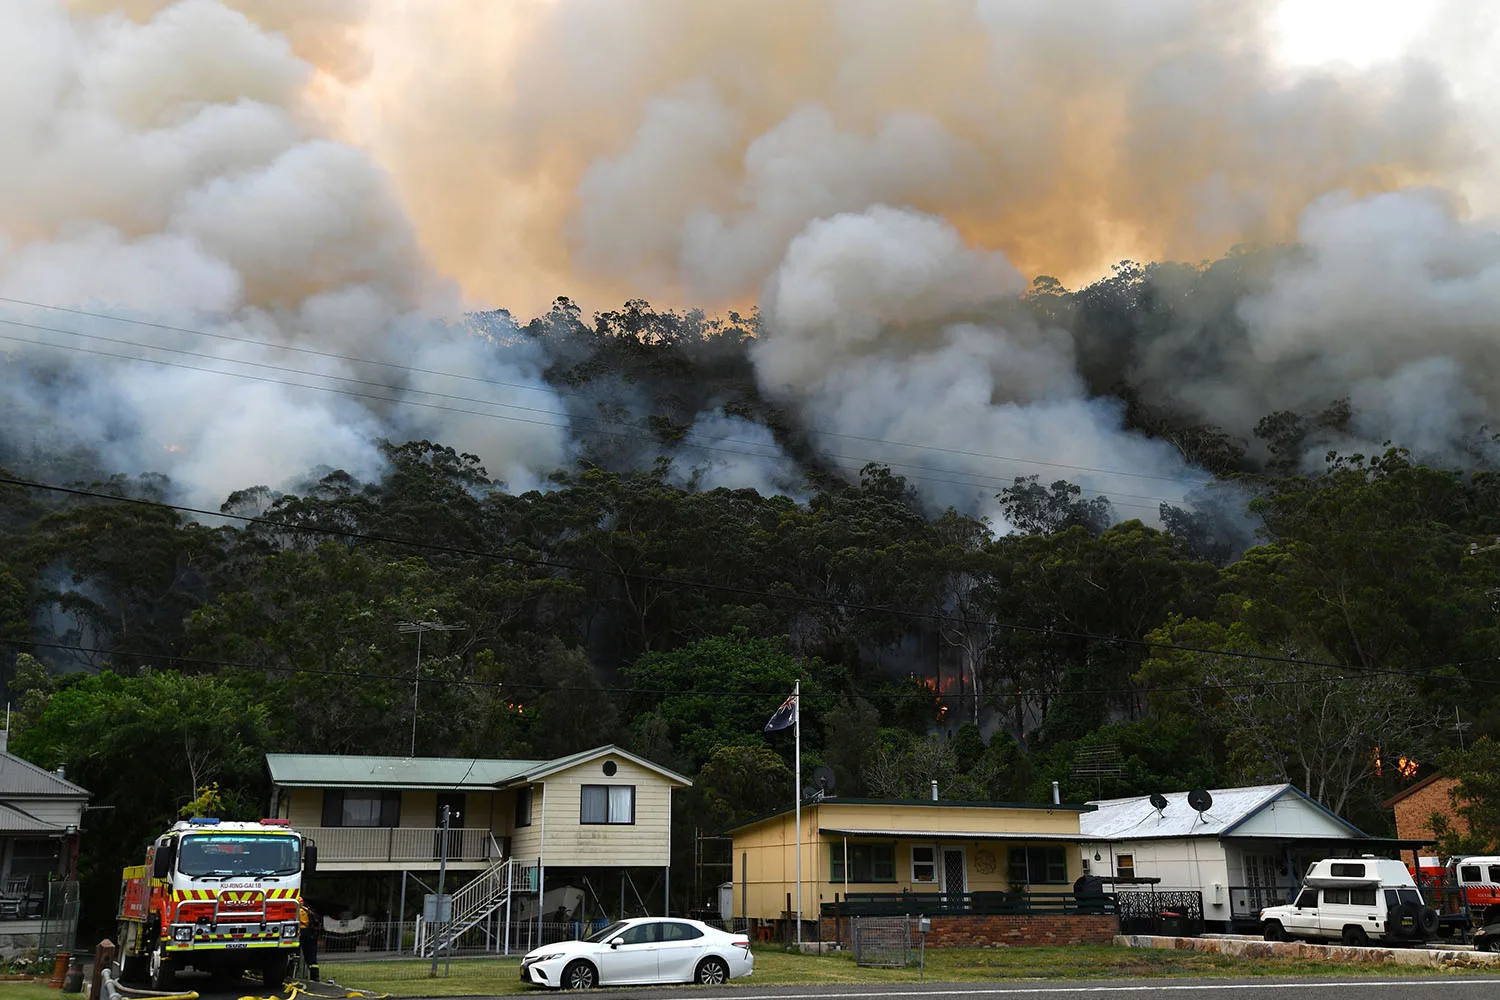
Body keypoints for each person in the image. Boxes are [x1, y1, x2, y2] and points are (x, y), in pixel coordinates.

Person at [298, 899, 320, 982]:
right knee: (311, 957)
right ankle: (315, 976)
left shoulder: (298, 911)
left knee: (293, 953)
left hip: (301, 932)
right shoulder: (307, 910)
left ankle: (290, 974)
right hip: (311, 933)